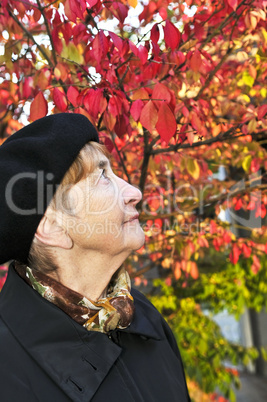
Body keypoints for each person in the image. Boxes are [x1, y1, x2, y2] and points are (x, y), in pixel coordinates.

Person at [0, 113, 190, 402]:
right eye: (102, 176)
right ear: (52, 227)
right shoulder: (7, 371)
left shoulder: (142, 316)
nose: (134, 192)